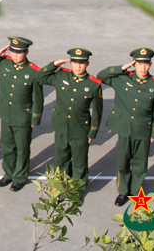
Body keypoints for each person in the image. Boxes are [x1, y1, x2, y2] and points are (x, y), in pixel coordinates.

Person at [96, 48, 154, 206]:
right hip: (124, 127)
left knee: (140, 162)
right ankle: (123, 191)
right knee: (123, 161)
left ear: (150, 65)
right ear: (134, 64)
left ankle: (135, 190)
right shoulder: (122, 78)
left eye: (146, 64)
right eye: (139, 64)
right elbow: (101, 76)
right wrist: (122, 68)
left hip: (143, 128)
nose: (143, 67)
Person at [34, 48, 103, 192]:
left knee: (79, 163)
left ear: (87, 64)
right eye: (75, 62)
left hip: (80, 130)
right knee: (62, 160)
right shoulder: (61, 76)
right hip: (61, 127)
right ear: (70, 62)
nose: (78, 66)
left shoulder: (93, 84)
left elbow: (97, 111)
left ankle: (76, 191)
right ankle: (62, 188)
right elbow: (40, 77)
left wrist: (92, 133)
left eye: (82, 63)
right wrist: (54, 65)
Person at [0, 37, 43, 192]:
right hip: (6, 113)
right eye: (13, 51)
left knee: (22, 148)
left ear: (26, 52)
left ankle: (19, 177)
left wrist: (35, 117)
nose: (15, 55)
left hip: (23, 116)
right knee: (7, 146)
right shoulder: (4, 63)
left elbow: (38, 97)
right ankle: (8, 173)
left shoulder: (34, 72)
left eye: (19, 52)